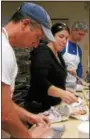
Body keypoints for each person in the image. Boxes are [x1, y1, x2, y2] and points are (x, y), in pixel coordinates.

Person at [1, 2, 55, 138]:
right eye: (38, 37)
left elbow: (4, 102)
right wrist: (30, 137)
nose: (36, 44)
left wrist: (31, 117)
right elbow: (4, 114)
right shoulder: (4, 51)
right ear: (25, 24)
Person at [24, 22, 78, 114]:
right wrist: (62, 93)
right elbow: (40, 81)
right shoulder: (42, 52)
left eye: (66, 38)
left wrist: (65, 89)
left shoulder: (58, 54)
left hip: (52, 106)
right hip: (39, 107)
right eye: (61, 37)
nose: (64, 41)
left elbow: (54, 74)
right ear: (51, 36)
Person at [61, 21, 88, 89]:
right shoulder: (62, 45)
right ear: (73, 30)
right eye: (80, 34)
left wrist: (79, 80)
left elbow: (79, 67)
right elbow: (55, 64)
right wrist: (66, 69)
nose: (81, 38)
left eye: (83, 35)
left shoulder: (78, 49)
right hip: (60, 84)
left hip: (73, 86)